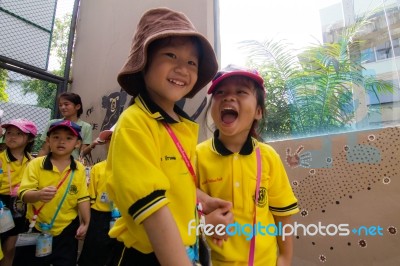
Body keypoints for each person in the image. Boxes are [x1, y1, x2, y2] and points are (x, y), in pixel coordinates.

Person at [104, 7, 227, 265]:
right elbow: (152, 209)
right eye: (171, 55)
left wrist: (203, 200)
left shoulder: (179, 126)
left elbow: (174, 183)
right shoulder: (135, 123)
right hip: (148, 256)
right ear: (144, 61)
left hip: (186, 248)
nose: (183, 68)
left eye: (192, 62)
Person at [196, 65, 300, 266]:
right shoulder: (198, 156)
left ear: (258, 111)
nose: (228, 97)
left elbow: (282, 215)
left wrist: (285, 258)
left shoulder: (268, 157)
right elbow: (182, 197)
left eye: (241, 92)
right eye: (220, 92)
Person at [14, 120, 90, 266]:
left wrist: (86, 223)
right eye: (56, 137)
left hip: (66, 229)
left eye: (69, 138)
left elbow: (83, 197)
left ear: (77, 143)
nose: (62, 141)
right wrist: (38, 195)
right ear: (48, 140)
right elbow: (23, 193)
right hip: (35, 226)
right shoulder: (36, 164)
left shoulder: (79, 169)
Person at [78, 125, 118, 266]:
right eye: (110, 139)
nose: (114, 143)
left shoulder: (136, 170)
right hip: (99, 218)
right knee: (93, 256)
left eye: (119, 138)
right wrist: (85, 223)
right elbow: (88, 199)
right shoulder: (98, 169)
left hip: (123, 219)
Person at [0, 119, 37, 266]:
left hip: (21, 205)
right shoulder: (1, 158)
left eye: (18, 133)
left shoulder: (33, 162)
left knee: (10, 247)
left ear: (29, 138)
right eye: (9, 133)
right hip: (2, 203)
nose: (12, 137)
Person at [38, 92, 93, 160]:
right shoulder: (52, 123)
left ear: (77, 106)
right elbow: (44, 149)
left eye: (66, 104)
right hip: (51, 164)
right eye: (60, 105)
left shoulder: (86, 127)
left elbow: (82, 153)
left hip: (72, 166)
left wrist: (93, 145)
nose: (63, 107)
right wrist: (37, 164)